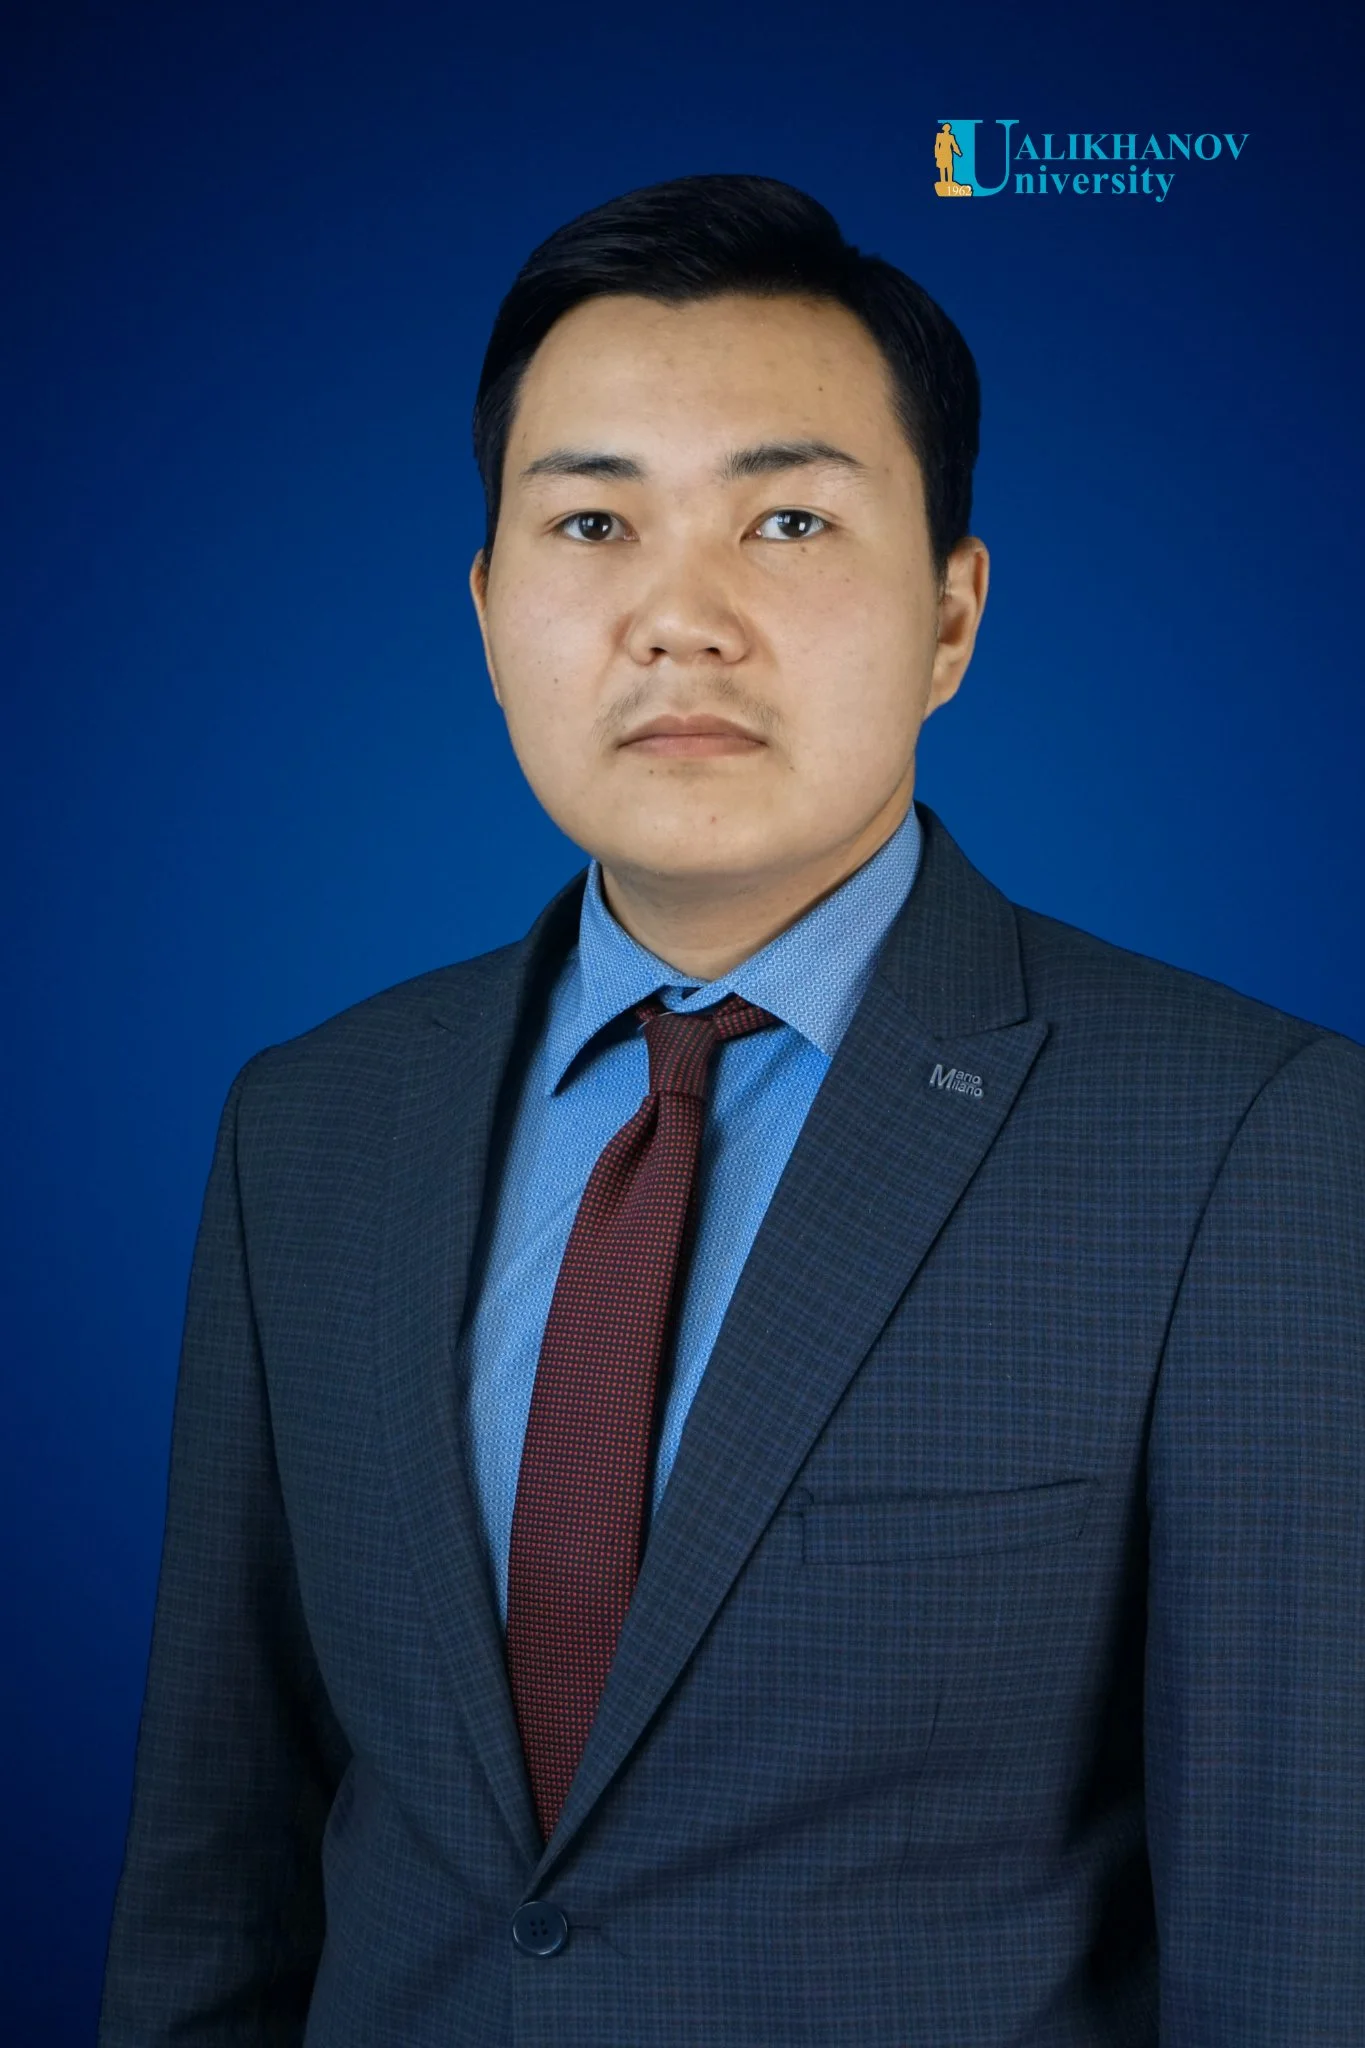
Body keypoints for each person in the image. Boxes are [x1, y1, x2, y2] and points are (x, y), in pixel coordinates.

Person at [98, 172, 1364, 2046]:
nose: (680, 620)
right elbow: (216, 1873)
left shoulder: (1245, 1138)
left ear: (952, 615)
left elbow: (1296, 1924)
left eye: (787, 520)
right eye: (593, 522)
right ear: (488, 611)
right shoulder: (308, 1128)